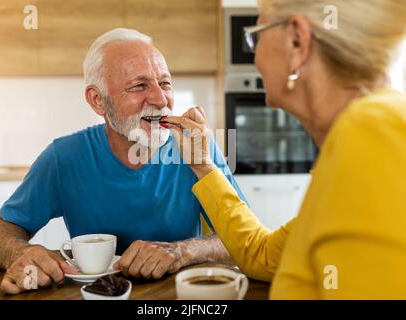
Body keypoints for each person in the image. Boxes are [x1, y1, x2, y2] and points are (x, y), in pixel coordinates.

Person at [165, 0, 406, 299]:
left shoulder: (370, 131)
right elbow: (262, 254)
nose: (255, 57)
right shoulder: (358, 136)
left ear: (296, 41)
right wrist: (203, 164)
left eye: (257, 36)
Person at [0, 28, 246, 294]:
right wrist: (20, 253)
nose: (160, 99)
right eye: (140, 85)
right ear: (98, 100)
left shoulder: (196, 149)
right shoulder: (65, 157)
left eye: (164, 83)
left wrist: (182, 252)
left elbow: (242, 238)